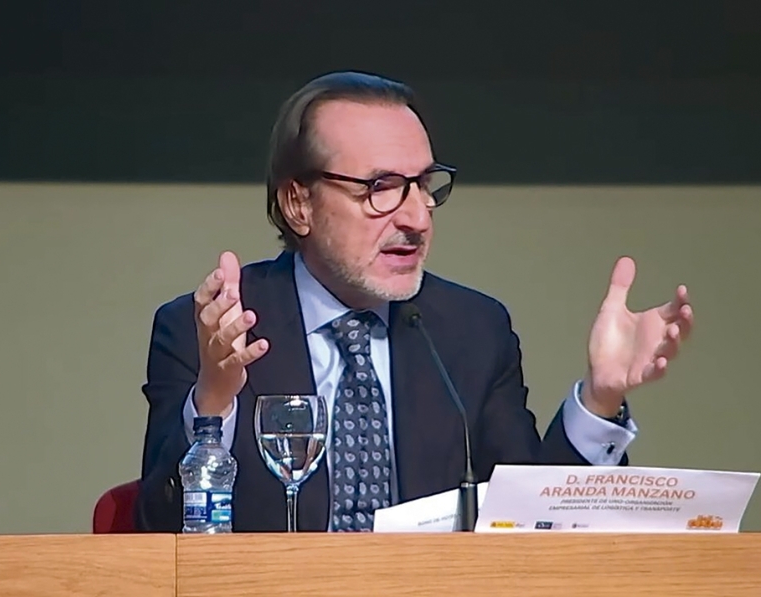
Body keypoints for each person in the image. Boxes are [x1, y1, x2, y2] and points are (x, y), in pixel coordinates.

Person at [134, 71, 693, 533]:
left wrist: (599, 399)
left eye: (424, 185)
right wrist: (213, 401)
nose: (417, 217)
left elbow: (528, 524)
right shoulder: (211, 330)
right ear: (299, 203)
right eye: (381, 187)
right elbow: (157, 530)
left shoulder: (472, 331)